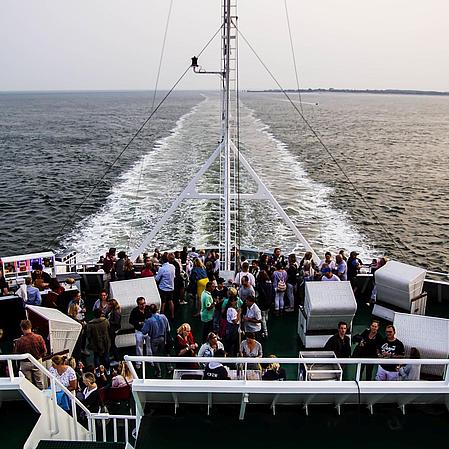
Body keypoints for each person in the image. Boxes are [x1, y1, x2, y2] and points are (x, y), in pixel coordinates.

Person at [13, 319, 47, 389]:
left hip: (25, 363)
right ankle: (41, 397)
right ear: (31, 327)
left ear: (22, 328)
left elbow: (16, 353)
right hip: (37, 361)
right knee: (39, 382)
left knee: (28, 384)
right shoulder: (39, 337)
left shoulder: (19, 341)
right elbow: (44, 351)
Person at [141, 304, 171, 378]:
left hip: (154, 340)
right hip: (163, 338)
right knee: (165, 353)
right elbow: (168, 329)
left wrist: (143, 324)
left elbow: (144, 331)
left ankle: (158, 372)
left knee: (155, 356)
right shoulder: (163, 317)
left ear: (150, 311)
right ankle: (169, 367)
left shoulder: (149, 321)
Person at [129, 297, 151, 369]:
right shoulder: (135, 311)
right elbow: (131, 321)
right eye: (141, 304)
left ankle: (150, 360)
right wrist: (139, 323)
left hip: (148, 331)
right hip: (139, 331)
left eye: (144, 303)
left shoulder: (148, 309)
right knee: (139, 347)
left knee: (149, 346)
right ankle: (139, 362)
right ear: (138, 304)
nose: (143, 305)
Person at [155, 255, 176, 320]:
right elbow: (174, 276)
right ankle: (172, 315)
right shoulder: (172, 266)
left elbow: (157, 279)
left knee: (163, 302)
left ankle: (161, 317)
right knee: (170, 301)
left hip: (163, 288)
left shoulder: (161, 269)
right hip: (171, 287)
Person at [256, 270, 275, 338]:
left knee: (262, 317)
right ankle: (265, 325)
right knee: (266, 315)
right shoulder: (270, 284)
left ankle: (265, 331)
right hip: (269, 302)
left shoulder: (260, 285)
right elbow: (273, 293)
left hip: (262, 303)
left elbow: (258, 295)